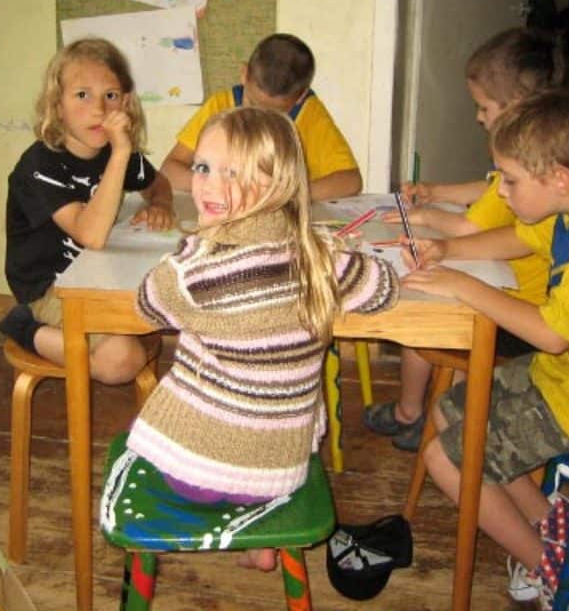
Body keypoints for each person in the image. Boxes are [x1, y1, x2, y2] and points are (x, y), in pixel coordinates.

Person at [400, 91, 569, 609]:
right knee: (450, 408)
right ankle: (555, 523)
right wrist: (449, 250)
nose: (501, 192)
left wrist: (464, 285)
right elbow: (524, 237)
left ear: (559, 177)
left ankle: (559, 571)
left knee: (445, 458)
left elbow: (553, 335)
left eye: (509, 181)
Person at [123, 106, 399, 570]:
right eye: (203, 168)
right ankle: (259, 535)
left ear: (277, 183)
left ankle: (209, 524)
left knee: (182, 388)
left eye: (232, 173)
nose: (209, 185)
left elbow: (145, 307)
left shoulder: (189, 272)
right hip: (281, 471)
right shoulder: (320, 258)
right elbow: (384, 288)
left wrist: (189, 252)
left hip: (194, 473)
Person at [365, 27, 564, 450]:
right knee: (443, 291)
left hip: (523, 305)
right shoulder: (539, 159)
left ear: (516, 105)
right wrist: (437, 193)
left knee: (430, 316)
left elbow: (473, 225)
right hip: (519, 293)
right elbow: (490, 191)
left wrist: (424, 216)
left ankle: (417, 414)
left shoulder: (536, 169)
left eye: (484, 107)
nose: (478, 117)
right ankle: (436, 415)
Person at [0, 38, 176, 383]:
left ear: (126, 102)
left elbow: (159, 183)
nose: (99, 109)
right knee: (122, 361)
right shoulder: (39, 164)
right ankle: (24, 327)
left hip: (97, 273)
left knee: (163, 302)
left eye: (110, 95)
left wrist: (160, 204)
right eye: (82, 95)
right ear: (57, 105)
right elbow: (90, 235)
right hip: (49, 287)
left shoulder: (117, 151)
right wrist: (121, 152)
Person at [159, 33, 362, 201]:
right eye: (253, 104)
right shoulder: (221, 106)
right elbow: (170, 169)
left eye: (276, 114)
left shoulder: (309, 114)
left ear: (301, 96)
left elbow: (351, 181)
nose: (261, 119)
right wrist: (220, 185)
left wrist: (286, 194)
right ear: (244, 74)